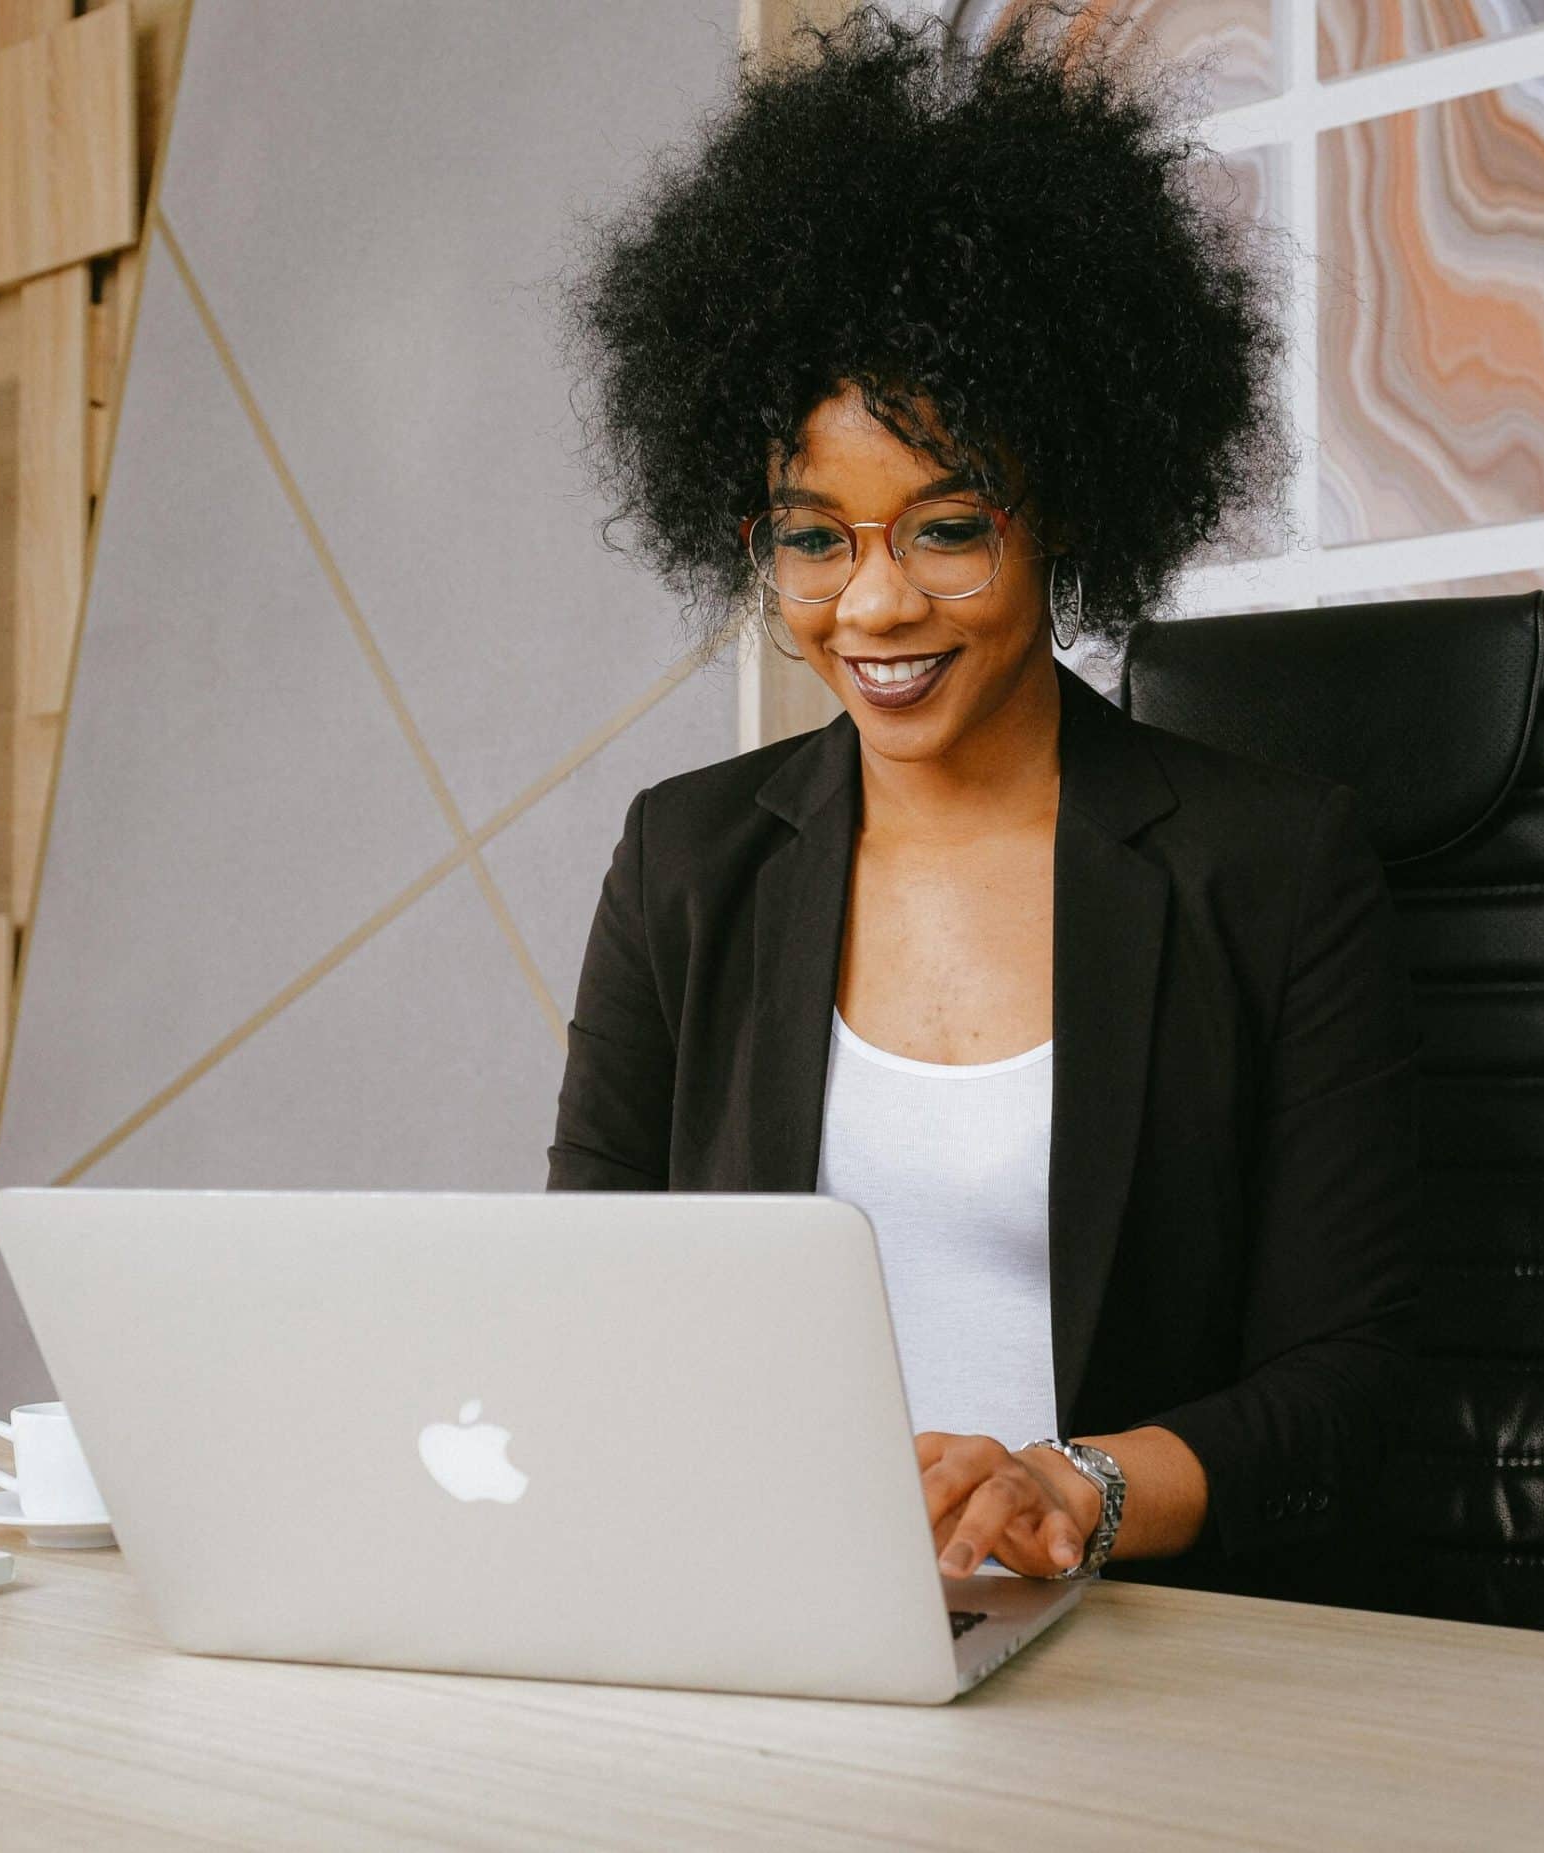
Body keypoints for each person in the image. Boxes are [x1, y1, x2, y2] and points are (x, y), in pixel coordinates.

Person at [545, 4, 1422, 1612]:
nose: (872, 605)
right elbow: (590, 1301)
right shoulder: (690, 860)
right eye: (815, 539)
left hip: (1150, 1640)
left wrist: (1071, 1484)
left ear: (1066, 506)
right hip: (775, 1617)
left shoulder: (1273, 870)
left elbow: (1355, 1388)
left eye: (947, 527)